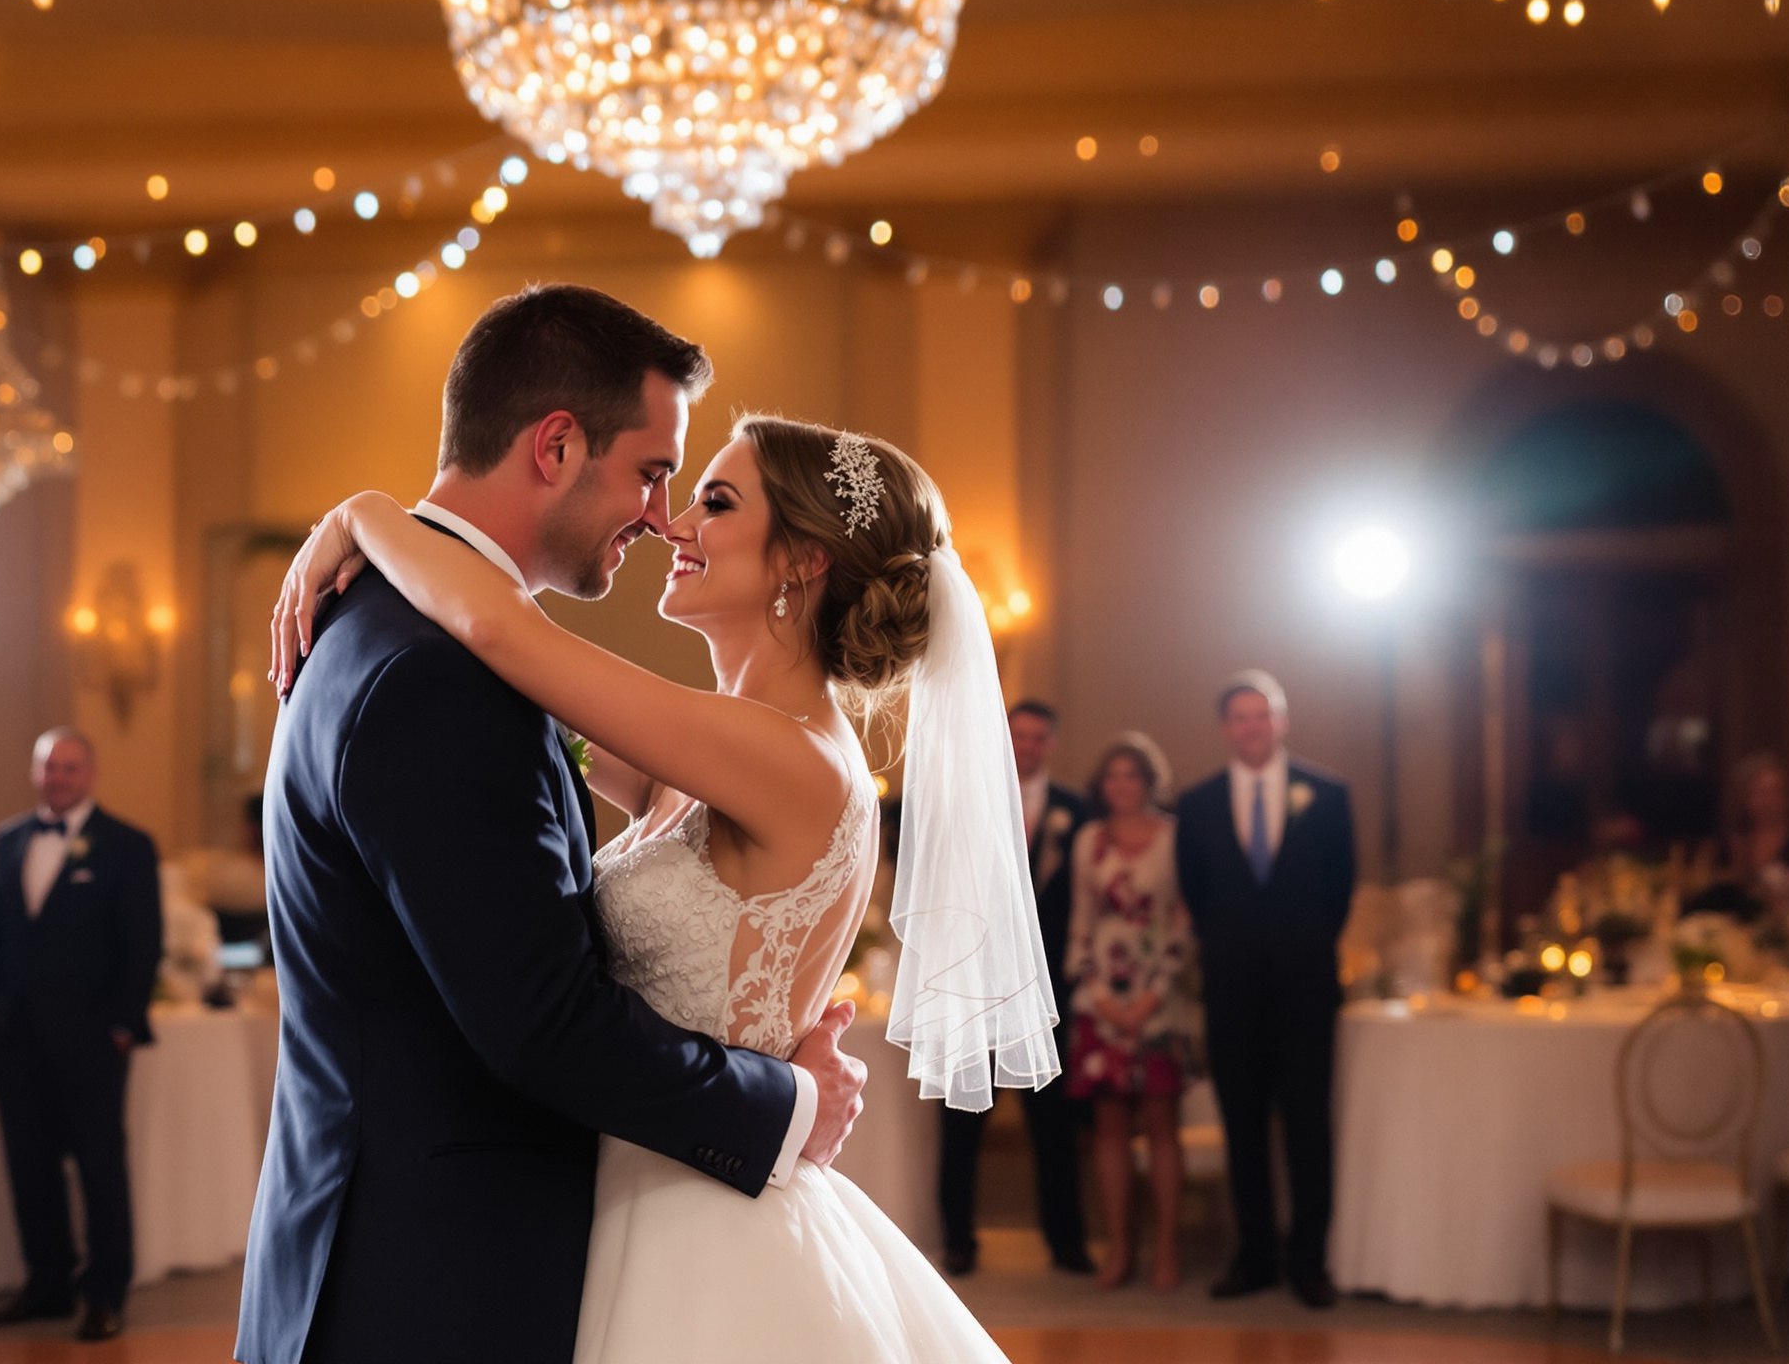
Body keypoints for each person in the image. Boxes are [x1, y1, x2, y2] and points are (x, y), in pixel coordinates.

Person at [256, 285, 1046, 1364]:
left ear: (803, 562)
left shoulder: (783, 758)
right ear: (555, 444)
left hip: (684, 1213)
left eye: (709, 501)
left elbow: (504, 635)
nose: (667, 518)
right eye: (660, 477)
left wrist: (366, 516)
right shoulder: (687, 757)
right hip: (594, 1205)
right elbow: (528, 702)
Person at [1172, 672, 1354, 1309]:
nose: (1253, 727)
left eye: (1264, 716)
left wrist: (1295, 951)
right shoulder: (1195, 806)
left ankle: (1310, 1263)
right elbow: (1196, 895)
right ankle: (1254, 1257)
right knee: (1242, 1131)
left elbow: (1340, 892)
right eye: (1241, 718)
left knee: (1309, 1129)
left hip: (1306, 993)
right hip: (1232, 994)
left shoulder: (1327, 795)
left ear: (1282, 721)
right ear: (1227, 728)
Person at [0, 726, 161, 1342]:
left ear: (91, 773)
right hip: (15, 1037)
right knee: (29, 1166)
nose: (58, 778)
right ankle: (46, 1284)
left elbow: (142, 945)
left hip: (92, 1040)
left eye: (70, 768)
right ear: (35, 773)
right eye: (49, 768)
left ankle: (106, 1293)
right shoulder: (9, 839)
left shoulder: (127, 845)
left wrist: (122, 1026)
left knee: (100, 1167)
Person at [936, 699, 1094, 1277]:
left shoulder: (1078, 810)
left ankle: (1067, 1241)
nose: (1025, 745)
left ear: (1050, 742)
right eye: (1017, 734)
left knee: (1053, 1127)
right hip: (975, 990)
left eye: (1037, 737)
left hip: (1046, 994)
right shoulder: (967, 803)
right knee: (961, 1120)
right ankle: (958, 1239)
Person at [1065, 733, 1198, 1291]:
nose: (1121, 785)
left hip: (1158, 1002)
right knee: (1109, 1128)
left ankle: (1167, 1250)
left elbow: (1184, 919)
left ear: (1149, 781)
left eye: (1132, 776)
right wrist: (1097, 992)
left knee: (1163, 1125)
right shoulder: (1089, 840)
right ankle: (1121, 1251)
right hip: (1101, 1001)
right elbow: (1082, 918)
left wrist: (1149, 997)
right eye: (1112, 776)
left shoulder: (1175, 838)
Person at [1687, 750, 1789, 919]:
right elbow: (1702, 878)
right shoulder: (1733, 836)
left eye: (1774, 792)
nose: (1767, 802)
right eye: (1760, 793)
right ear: (1746, 797)